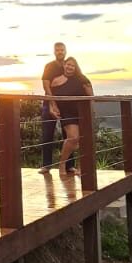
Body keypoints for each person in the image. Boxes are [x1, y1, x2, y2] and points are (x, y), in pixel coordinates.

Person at [39, 43, 91, 173]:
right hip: (49, 102)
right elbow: (47, 87)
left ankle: (69, 165)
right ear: (54, 51)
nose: (60, 52)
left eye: (62, 50)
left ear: (65, 51)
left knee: (69, 136)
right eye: (57, 50)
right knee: (47, 134)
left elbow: (85, 86)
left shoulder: (69, 68)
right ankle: (46, 165)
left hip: (67, 108)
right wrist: (52, 105)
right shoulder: (50, 66)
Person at [49, 56, 93, 176]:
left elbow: (91, 96)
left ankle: (80, 167)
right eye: (68, 64)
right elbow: (50, 97)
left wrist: (91, 111)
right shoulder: (56, 81)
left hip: (82, 112)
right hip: (67, 113)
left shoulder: (82, 79)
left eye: (72, 65)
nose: (70, 67)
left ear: (75, 68)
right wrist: (52, 107)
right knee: (73, 138)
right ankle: (62, 164)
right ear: (64, 65)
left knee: (83, 140)